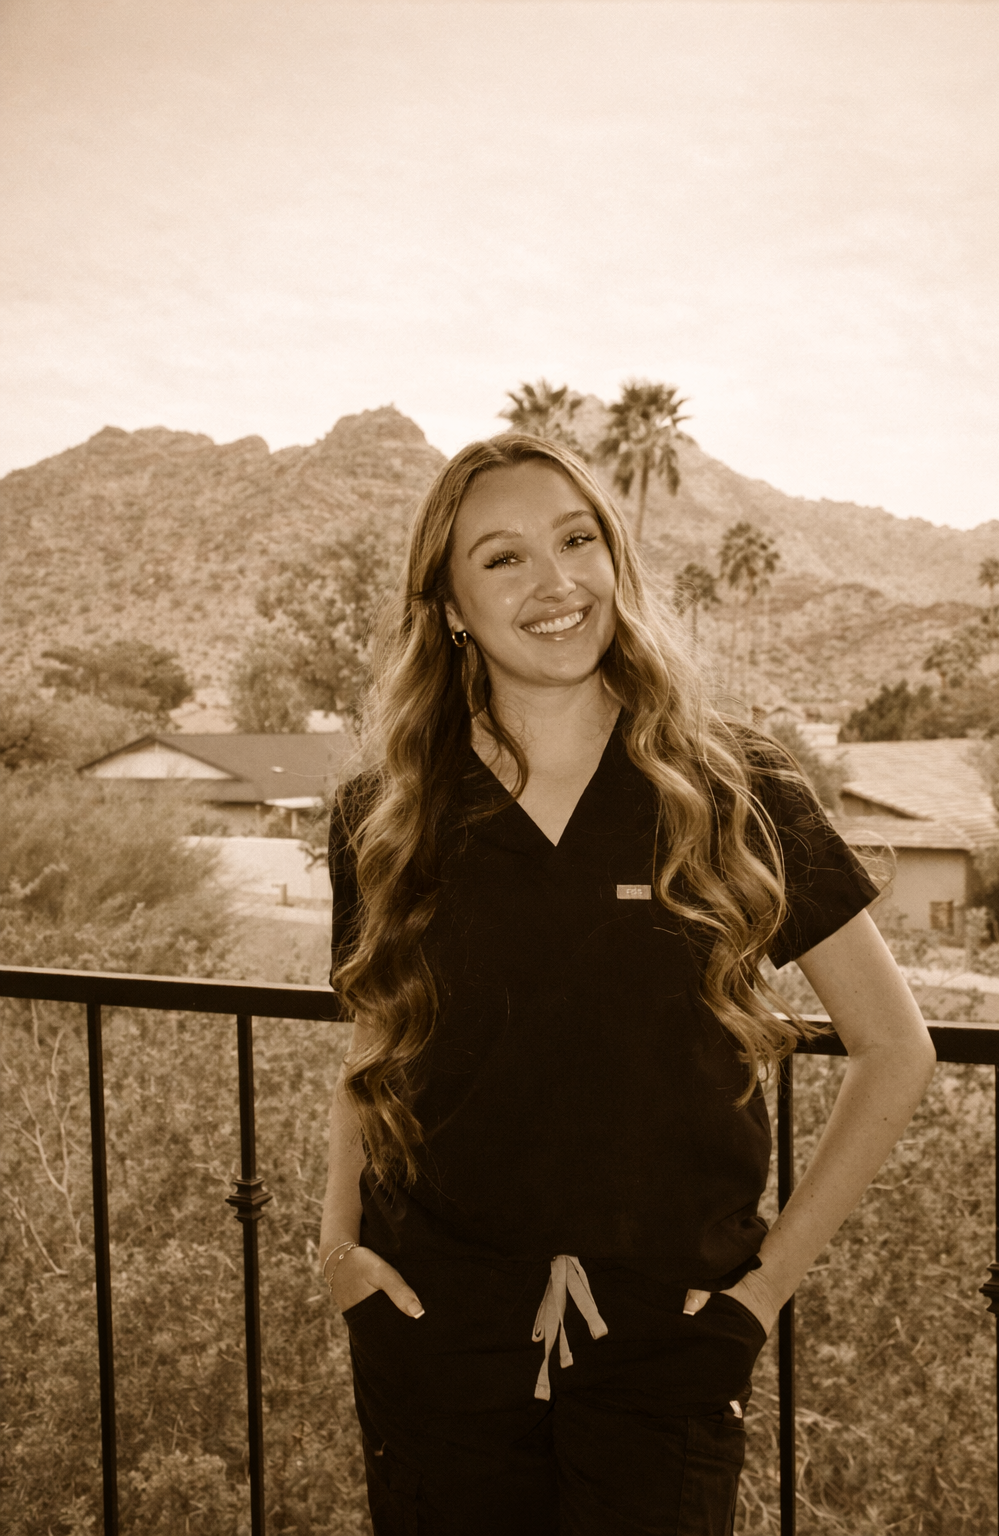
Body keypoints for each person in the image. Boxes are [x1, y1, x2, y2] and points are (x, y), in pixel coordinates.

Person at [319, 434, 936, 1535]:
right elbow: (375, 1050)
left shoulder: (733, 784)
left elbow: (895, 1049)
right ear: (451, 604)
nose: (555, 583)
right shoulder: (388, 807)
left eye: (577, 539)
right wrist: (339, 1248)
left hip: (667, 1346)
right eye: (501, 558)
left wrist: (756, 1299)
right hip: (435, 1334)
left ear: (615, 558)